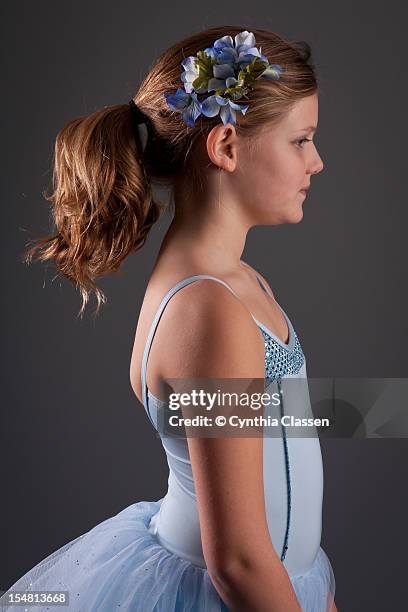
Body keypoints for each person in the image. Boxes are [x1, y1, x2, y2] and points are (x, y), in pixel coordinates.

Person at [3, 25, 337, 612]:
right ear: (227, 146)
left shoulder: (239, 283)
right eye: (301, 140)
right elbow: (236, 559)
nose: (317, 161)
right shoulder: (209, 309)